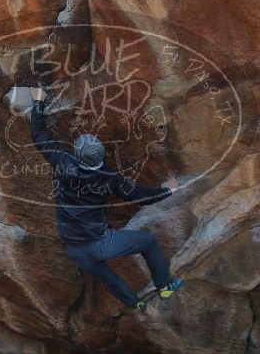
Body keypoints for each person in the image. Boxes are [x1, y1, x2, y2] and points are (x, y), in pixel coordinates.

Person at [29, 86, 182, 310]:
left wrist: (38, 101)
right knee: (148, 242)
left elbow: (39, 135)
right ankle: (164, 286)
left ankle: (134, 303)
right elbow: (139, 196)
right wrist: (168, 190)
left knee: (107, 276)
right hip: (100, 243)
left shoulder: (63, 162)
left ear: (76, 154)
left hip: (73, 247)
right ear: (101, 155)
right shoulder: (110, 178)